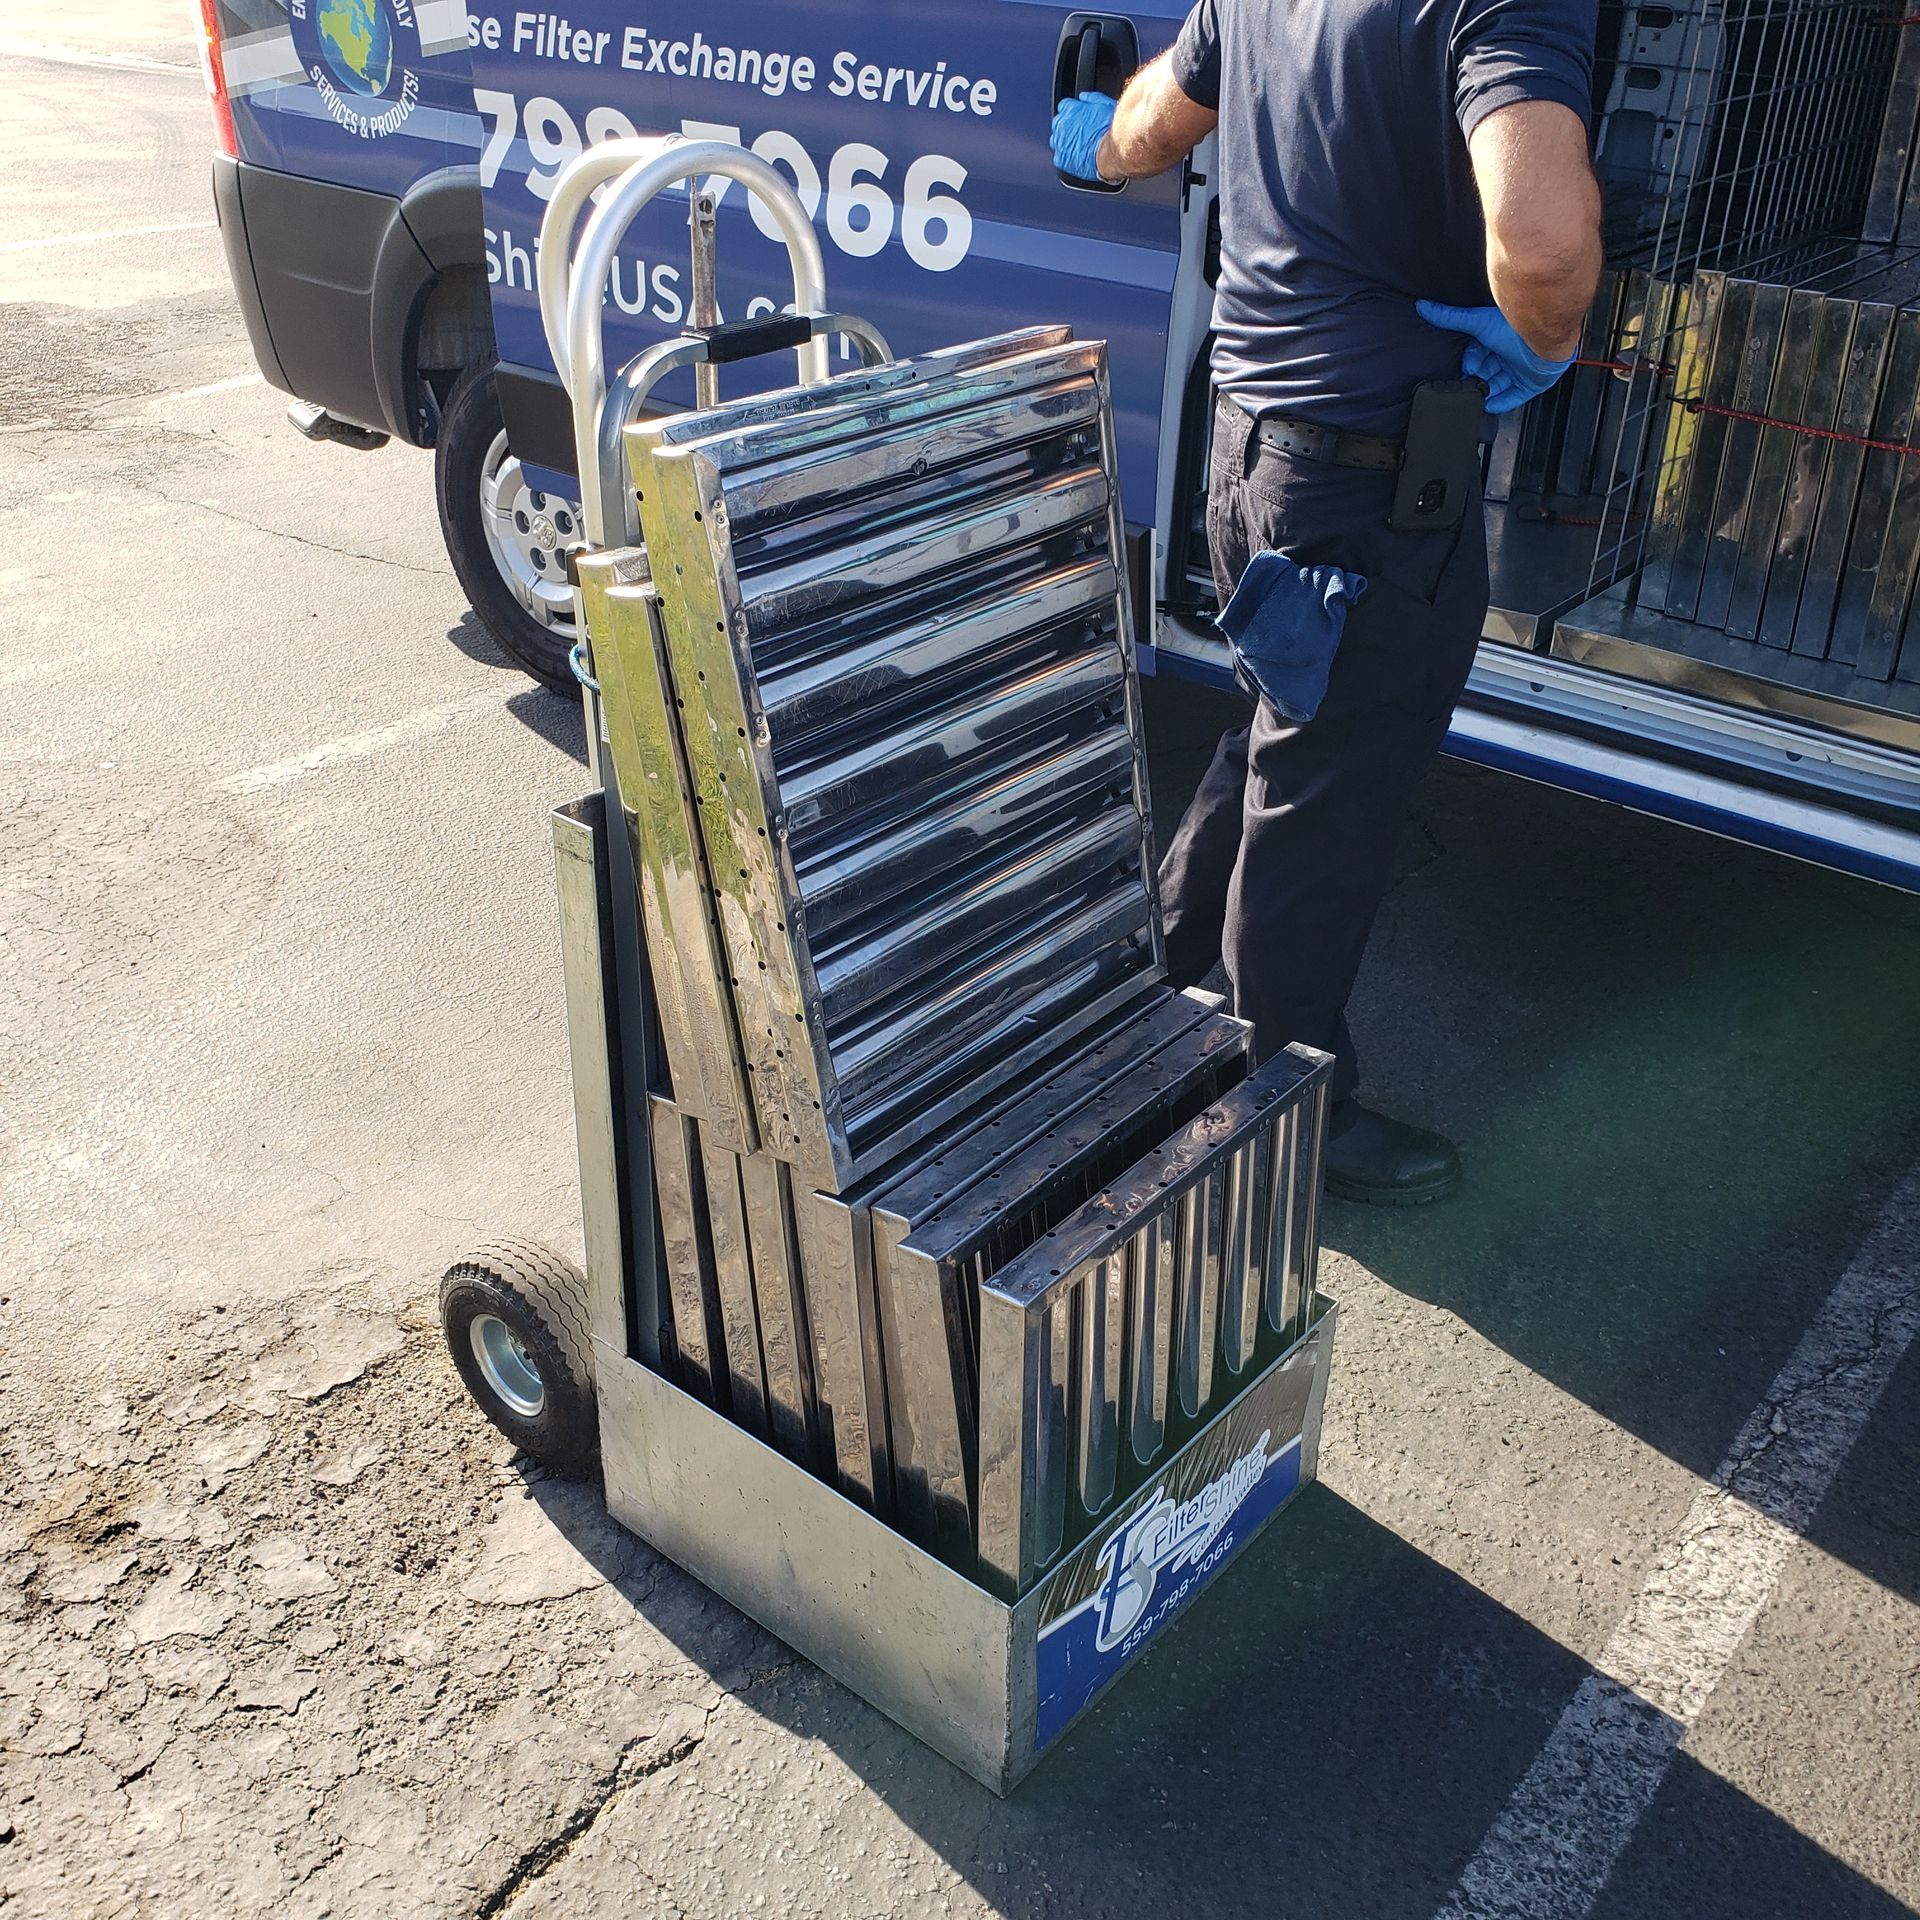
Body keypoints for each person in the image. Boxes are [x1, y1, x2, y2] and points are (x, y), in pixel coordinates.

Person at [1052, 0, 1602, 1204]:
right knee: (1327, 794)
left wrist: (1082, 140)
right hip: (1367, 485)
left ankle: (1158, 1000)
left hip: (1251, 451)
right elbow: (1548, 246)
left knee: (1274, 730)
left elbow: (1148, 121)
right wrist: (1546, 338)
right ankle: (1274, 1109)